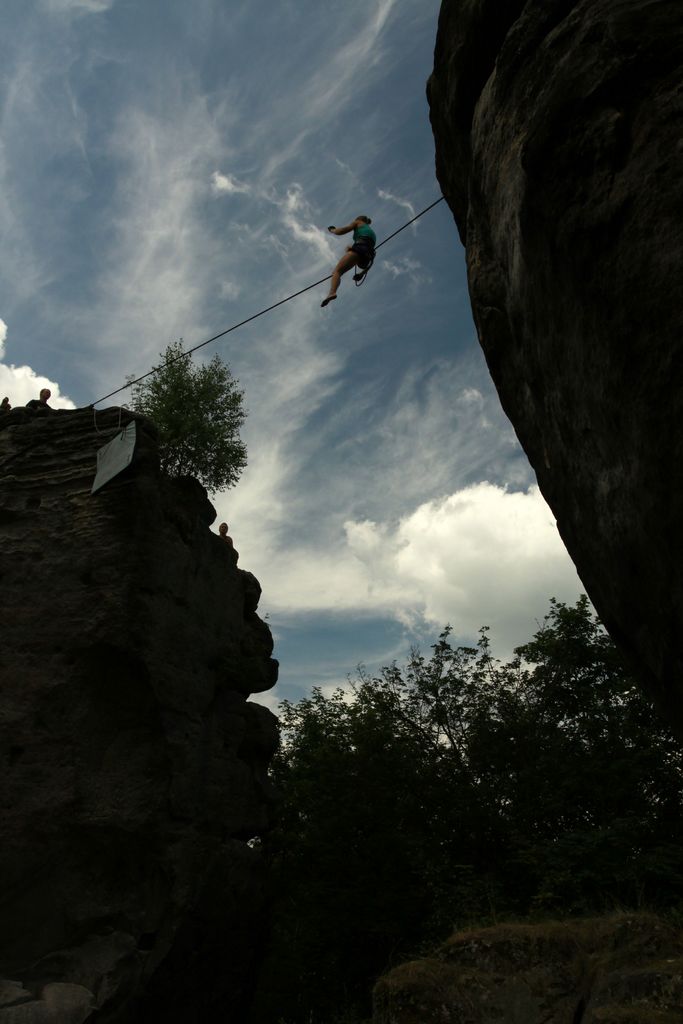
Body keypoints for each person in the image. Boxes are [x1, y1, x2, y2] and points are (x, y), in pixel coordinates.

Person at [321, 215, 376, 307]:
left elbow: (342, 231)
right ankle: (333, 292)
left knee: (337, 271)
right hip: (368, 255)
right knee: (355, 258)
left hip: (360, 248)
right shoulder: (371, 231)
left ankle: (332, 292)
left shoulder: (358, 222)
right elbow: (372, 259)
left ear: (358, 219)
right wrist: (362, 274)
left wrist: (333, 230)